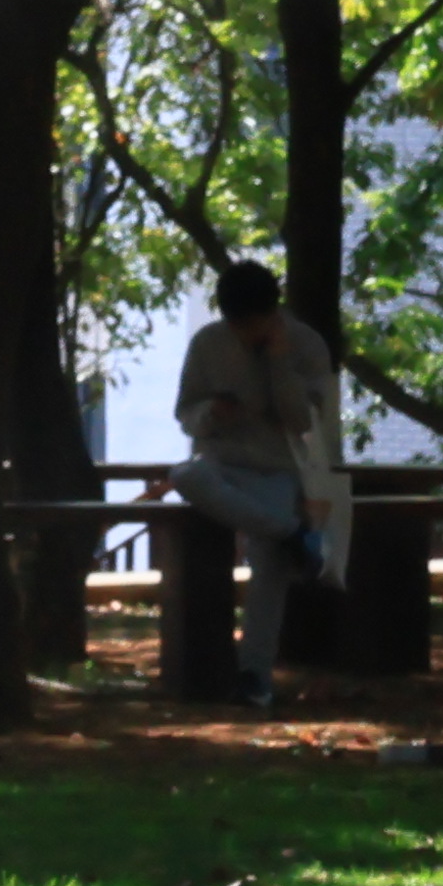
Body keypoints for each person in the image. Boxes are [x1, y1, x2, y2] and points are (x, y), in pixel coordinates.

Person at [167, 260, 345, 702]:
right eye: (237, 325)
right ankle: (293, 533)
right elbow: (185, 413)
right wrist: (212, 413)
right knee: (184, 474)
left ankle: (254, 675)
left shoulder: (307, 346)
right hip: (223, 463)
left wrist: (279, 364)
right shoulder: (207, 343)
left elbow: (303, 421)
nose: (245, 334)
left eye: (252, 324)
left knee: (269, 563)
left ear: (273, 312)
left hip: (278, 469)